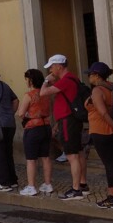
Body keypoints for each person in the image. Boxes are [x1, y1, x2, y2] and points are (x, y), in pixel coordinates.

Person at [41, 54, 88, 200]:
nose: (50, 71)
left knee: (72, 155)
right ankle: (83, 184)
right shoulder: (73, 79)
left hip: (68, 121)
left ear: (59, 66)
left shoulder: (65, 80)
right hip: (69, 120)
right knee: (78, 153)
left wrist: (46, 81)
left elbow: (43, 93)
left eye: (52, 67)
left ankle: (76, 189)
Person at [85, 62, 113, 208]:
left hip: (102, 131)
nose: (89, 77)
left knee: (110, 164)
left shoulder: (97, 91)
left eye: (90, 74)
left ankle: (112, 197)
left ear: (97, 76)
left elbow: (103, 112)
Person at [16, 69, 53, 196]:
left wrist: (27, 114)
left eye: (26, 79)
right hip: (46, 126)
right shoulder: (46, 94)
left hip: (33, 128)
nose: (26, 81)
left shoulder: (29, 95)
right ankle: (48, 184)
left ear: (30, 80)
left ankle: (31, 186)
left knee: (31, 159)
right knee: (46, 157)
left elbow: (20, 113)